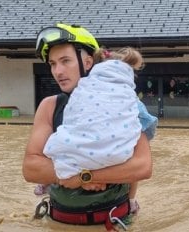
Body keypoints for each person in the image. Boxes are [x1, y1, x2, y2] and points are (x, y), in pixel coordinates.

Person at [22, 23, 153, 231]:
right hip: (59, 222)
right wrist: (79, 177)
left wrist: (87, 176)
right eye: (53, 64)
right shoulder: (50, 106)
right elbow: (30, 168)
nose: (58, 71)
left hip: (114, 222)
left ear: (88, 62)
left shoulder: (126, 103)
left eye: (65, 61)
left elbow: (142, 166)